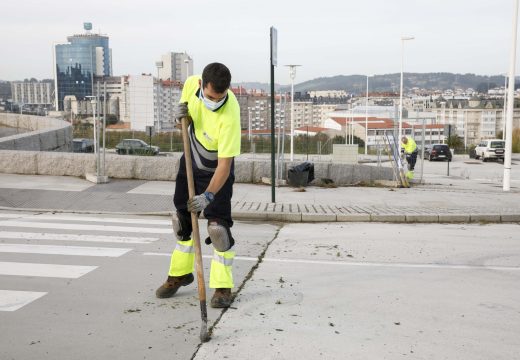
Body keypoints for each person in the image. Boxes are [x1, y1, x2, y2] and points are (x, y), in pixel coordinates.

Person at [155, 63, 241, 308]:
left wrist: (209, 196)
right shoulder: (191, 84)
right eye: (212, 96)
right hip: (190, 160)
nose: (216, 101)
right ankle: (181, 274)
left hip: (216, 172)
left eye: (221, 97)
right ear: (202, 85)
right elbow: (188, 120)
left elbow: (225, 165)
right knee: (181, 222)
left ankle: (222, 288)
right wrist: (180, 117)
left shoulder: (230, 113)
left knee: (218, 230)